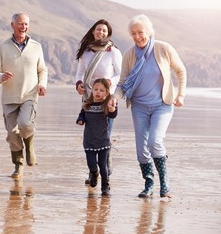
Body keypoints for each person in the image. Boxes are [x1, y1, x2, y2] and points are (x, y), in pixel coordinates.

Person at [111, 14, 187, 198]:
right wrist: (114, 98)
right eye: (133, 33)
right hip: (139, 107)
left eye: (140, 32)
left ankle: (165, 183)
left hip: (162, 105)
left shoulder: (163, 49)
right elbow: (122, 83)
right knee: (141, 148)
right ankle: (149, 183)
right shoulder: (129, 54)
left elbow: (180, 70)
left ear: (149, 32)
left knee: (155, 141)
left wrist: (181, 95)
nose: (137, 37)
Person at [0, 12, 48, 179]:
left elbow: (42, 70)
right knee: (12, 134)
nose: (24, 27)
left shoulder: (36, 46)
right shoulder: (3, 47)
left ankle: (29, 146)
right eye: (20, 24)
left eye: (26, 24)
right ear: (12, 25)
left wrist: (42, 85)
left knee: (25, 124)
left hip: (29, 95)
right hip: (9, 98)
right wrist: (1, 77)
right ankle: (18, 165)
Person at [75, 19, 122, 178]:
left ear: (108, 33)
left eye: (104, 30)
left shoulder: (113, 52)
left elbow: (120, 74)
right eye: (98, 29)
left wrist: (110, 83)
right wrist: (79, 83)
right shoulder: (86, 51)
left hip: (107, 98)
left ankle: (106, 168)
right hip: (89, 96)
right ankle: (92, 171)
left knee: (105, 133)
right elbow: (80, 72)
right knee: (91, 133)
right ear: (93, 31)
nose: (101, 32)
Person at [76, 78, 117, 196]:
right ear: (92, 91)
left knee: (103, 165)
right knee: (91, 163)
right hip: (89, 140)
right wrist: (80, 120)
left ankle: (105, 185)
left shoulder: (106, 105)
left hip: (103, 140)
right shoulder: (87, 105)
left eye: (101, 90)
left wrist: (112, 109)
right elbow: (82, 115)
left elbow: (113, 115)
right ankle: (94, 174)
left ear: (107, 93)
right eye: (96, 90)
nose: (98, 92)